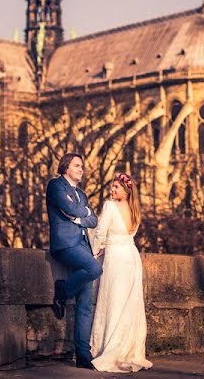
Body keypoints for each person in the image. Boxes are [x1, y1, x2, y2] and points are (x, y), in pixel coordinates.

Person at [89, 172, 153, 373]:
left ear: (125, 192)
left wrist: (94, 251)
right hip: (131, 257)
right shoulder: (135, 211)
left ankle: (110, 349)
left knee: (113, 302)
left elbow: (100, 232)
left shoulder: (110, 206)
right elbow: (126, 236)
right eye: (113, 186)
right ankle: (127, 350)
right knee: (129, 303)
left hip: (116, 258)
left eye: (116, 187)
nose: (112, 190)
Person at [46, 152, 101, 370]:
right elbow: (69, 209)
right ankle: (62, 291)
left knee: (86, 303)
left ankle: (83, 355)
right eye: (77, 166)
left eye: (82, 166)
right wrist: (82, 214)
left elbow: (93, 219)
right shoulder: (55, 185)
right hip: (65, 244)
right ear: (66, 167)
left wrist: (82, 215)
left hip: (83, 245)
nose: (82, 169)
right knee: (94, 267)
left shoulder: (82, 194)